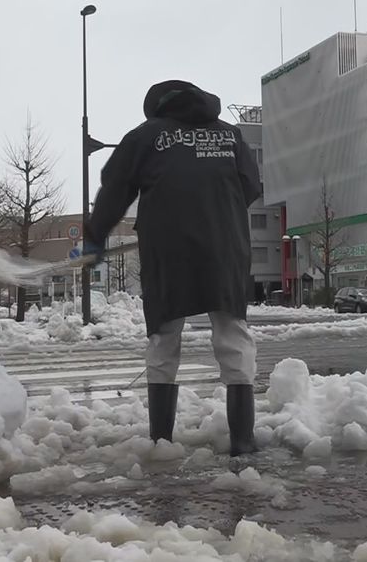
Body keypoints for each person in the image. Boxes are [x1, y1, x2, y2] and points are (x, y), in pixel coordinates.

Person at [83, 80, 262, 456]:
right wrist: (218, 214)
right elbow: (251, 185)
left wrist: (97, 236)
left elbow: (116, 187)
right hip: (225, 245)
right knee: (232, 333)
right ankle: (243, 440)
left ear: (158, 107)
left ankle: (162, 440)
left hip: (167, 246)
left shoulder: (146, 136)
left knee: (164, 335)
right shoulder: (230, 135)